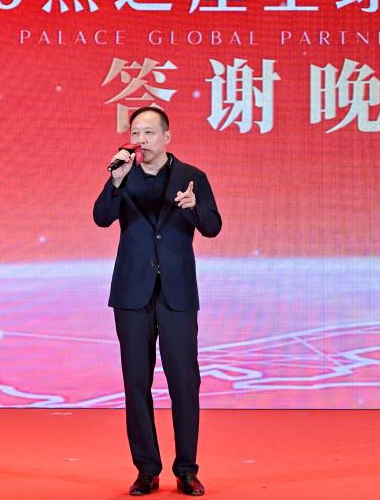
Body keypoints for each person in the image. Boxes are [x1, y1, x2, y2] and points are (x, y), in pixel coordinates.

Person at [93, 105, 221, 496]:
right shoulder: (123, 176)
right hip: (132, 293)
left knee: (185, 381)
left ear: (166, 137)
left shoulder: (192, 177)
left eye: (149, 133)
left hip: (177, 293)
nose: (141, 140)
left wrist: (194, 209)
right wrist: (115, 181)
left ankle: (186, 470)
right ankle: (147, 469)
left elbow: (213, 226)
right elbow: (101, 217)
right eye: (136, 133)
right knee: (136, 382)